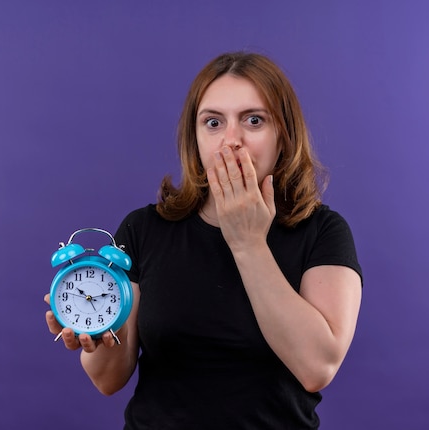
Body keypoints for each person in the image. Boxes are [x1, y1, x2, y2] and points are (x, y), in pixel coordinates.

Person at [45, 51, 362, 429]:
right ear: (195, 139)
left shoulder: (322, 231)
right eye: (213, 122)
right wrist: (96, 336)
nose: (231, 141)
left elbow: (317, 367)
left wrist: (247, 243)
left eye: (254, 120)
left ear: (284, 135)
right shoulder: (144, 228)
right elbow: (108, 379)